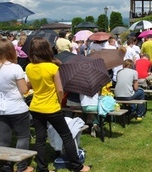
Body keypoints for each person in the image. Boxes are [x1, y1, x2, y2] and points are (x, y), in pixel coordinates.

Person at [26, 37, 91, 172]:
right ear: (47, 50)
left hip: (36, 106)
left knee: (40, 139)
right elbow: (60, 89)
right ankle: (77, 166)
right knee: (66, 136)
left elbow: (30, 85)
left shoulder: (29, 67)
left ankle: (42, 168)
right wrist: (59, 100)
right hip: (52, 106)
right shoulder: (52, 68)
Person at [0, 39, 33, 172]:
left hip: (1, 108)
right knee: (23, 137)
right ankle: (21, 166)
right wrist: (29, 83)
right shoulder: (15, 68)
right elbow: (24, 90)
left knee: (3, 140)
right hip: (17, 107)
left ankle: (5, 166)